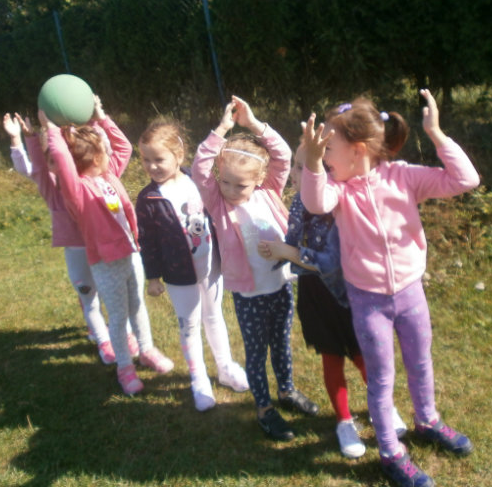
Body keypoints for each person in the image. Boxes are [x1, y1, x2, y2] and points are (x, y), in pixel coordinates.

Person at [300, 90, 479, 487]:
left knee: (420, 362)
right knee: (381, 378)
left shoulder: (403, 177)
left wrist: (435, 133)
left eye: (329, 150)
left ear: (358, 150)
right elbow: (314, 203)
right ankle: (390, 452)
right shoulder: (338, 189)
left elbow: (466, 179)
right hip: (368, 301)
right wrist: (311, 161)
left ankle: (427, 420)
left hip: (411, 293)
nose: (326, 158)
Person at [258, 137, 407, 458]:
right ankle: (343, 421)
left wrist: (288, 252)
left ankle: (384, 408)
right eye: (296, 166)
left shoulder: (341, 206)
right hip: (315, 295)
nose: (295, 173)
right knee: (331, 357)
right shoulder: (298, 202)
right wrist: (280, 251)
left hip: (350, 294)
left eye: (302, 167)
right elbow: (294, 240)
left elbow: (331, 262)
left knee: (364, 356)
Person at [192, 95, 318, 441]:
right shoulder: (218, 203)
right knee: (256, 353)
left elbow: (282, 155)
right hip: (249, 297)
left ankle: (287, 390)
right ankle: (264, 408)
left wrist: (253, 124)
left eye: (241, 184)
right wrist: (222, 130)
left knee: (282, 344)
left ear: (260, 178)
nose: (231, 190)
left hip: (280, 287)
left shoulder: (269, 191)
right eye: (225, 181)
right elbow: (199, 169)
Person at [39, 97, 174, 396]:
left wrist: (101, 117)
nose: (108, 151)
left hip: (131, 255)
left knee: (138, 307)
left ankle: (147, 350)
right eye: (103, 149)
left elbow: (123, 146)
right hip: (106, 263)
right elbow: (63, 161)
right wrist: (51, 129)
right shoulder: (76, 190)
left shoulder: (108, 175)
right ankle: (125, 367)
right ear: (95, 158)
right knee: (119, 316)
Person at [1, 112, 138, 365]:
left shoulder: (95, 180)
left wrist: (99, 119)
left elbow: (117, 149)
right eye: (51, 161)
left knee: (118, 295)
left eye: (63, 158)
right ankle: (103, 340)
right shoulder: (51, 187)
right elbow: (33, 168)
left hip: (107, 251)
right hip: (78, 253)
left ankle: (127, 333)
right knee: (89, 298)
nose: (59, 165)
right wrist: (23, 139)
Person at [135, 119, 249, 411]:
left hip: (210, 267)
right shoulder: (148, 198)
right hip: (178, 274)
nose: (152, 166)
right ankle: (199, 379)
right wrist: (153, 277)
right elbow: (147, 241)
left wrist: (222, 128)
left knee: (214, 316)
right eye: (146, 159)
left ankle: (225, 368)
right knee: (189, 325)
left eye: (159, 159)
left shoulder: (197, 181)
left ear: (179, 155)